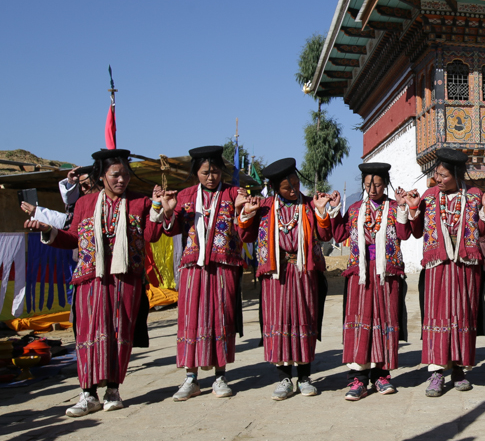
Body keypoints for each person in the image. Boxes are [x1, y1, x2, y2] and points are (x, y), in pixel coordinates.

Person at [25, 149, 169, 417]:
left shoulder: (140, 202)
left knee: (119, 335)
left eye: (126, 174)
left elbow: (151, 235)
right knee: (88, 335)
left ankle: (113, 390)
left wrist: (158, 207)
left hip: (125, 279)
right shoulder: (85, 204)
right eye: (116, 174)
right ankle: (87, 395)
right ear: (102, 176)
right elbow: (71, 239)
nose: (121, 180)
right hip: (90, 280)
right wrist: (48, 230)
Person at [401, 148, 485, 397]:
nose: (439, 180)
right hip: (438, 266)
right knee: (437, 315)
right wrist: (413, 209)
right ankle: (436, 372)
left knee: (463, 314)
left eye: (443, 176)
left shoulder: (475, 196)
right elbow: (418, 231)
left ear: (456, 175)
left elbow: (484, 231)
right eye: (437, 175)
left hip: (466, 265)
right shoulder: (429, 196)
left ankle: (459, 369)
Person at [237, 158, 333, 400]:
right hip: (276, 275)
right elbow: (246, 236)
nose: (293, 188)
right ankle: (284, 378)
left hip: (303, 273)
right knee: (278, 321)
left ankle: (304, 377)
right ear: (275, 188)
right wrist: (247, 214)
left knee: (304, 319)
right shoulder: (266, 206)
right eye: (286, 186)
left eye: (295, 183)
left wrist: (322, 212)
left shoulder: (310, 205)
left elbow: (324, 234)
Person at [161, 146, 247, 401]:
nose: (211, 177)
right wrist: (168, 210)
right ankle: (191, 378)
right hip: (193, 269)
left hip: (223, 267)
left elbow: (245, 230)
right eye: (206, 172)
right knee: (192, 320)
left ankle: (220, 375)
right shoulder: (185, 196)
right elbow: (170, 229)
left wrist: (242, 211)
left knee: (222, 317)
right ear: (196, 172)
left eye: (216, 171)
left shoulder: (233, 193)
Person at [331, 162, 411, 401]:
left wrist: (404, 208)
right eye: (368, 185)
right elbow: (339, 235)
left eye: (377, 184)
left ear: (385, 183)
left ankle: (381, 375)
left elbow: (404, 234)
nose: (373, 189)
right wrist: (334, 210)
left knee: (386, 321)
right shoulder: (355, 209)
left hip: (387, 274)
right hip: (361, 275)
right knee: (360, 323)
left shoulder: (395, 206)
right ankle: (357, 379)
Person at [22, 166, 97, 231]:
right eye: (80, 186)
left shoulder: (104, 204)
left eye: (86, 185)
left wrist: (38, 212)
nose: (83, 189)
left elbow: (72, 223)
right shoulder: (83, 203)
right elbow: (73, 215)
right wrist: (71, 183)